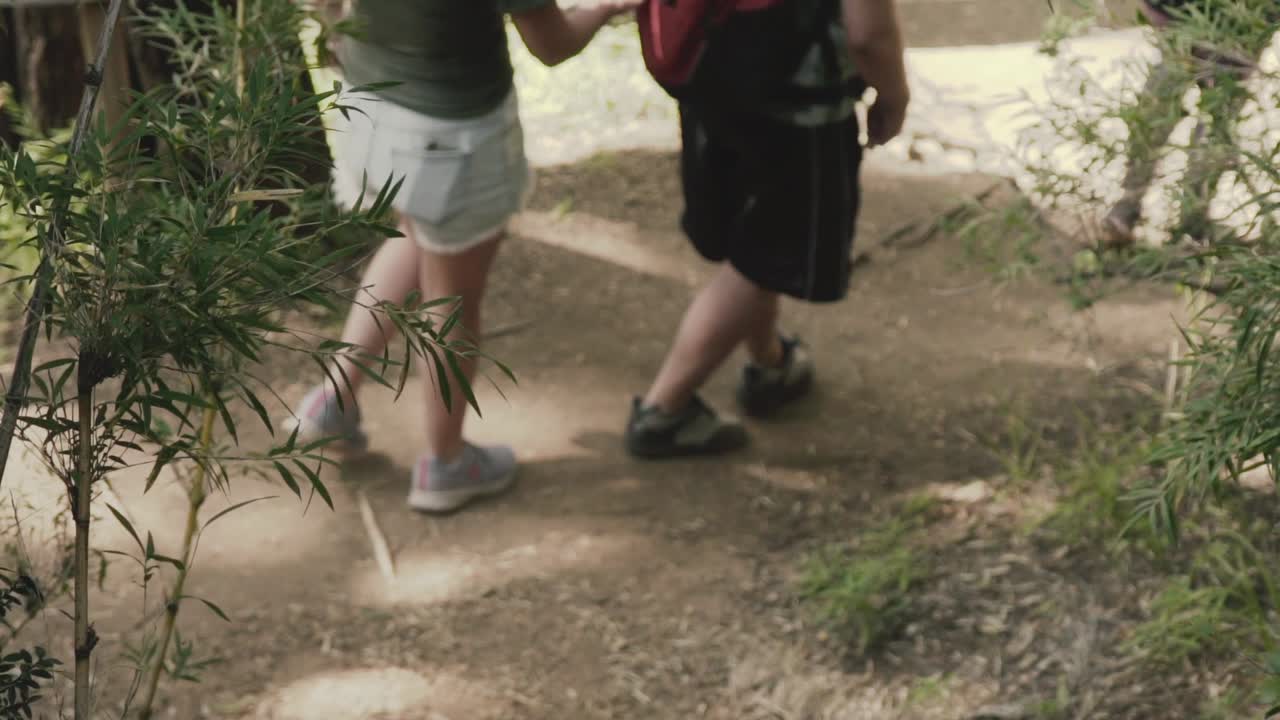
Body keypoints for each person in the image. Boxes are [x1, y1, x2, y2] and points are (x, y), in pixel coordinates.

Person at [291, 0, 638, 512]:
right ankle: (446, 462)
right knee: (452, 300)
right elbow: (553, 43)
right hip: (449, 136)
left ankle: (333, 403)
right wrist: (608, 6)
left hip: (369, 108)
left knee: (412, 235)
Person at [624, 0, 910, 458]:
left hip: (711, 73)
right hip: (796, 101)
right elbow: (867, 33)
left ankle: (769, 363)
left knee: (751, 236)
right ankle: (666, 409)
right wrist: (894, 94)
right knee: (770, 255)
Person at [1103, 0, 1277, 248]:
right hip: (1182, 20)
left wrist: (1260, 22)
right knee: (1158, 105)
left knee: (1215, 124)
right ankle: (1127, 205)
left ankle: (1193, 220)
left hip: (1240, 28)